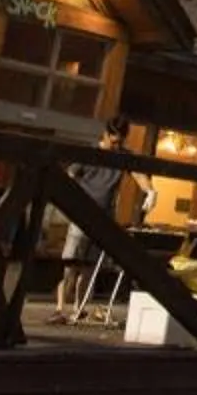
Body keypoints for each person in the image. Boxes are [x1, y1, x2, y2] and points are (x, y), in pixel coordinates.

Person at [51, 116, 135, 325]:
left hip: (103, 218)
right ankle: (60, 308)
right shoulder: (90, 153)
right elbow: (70, 173)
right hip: (81, 214)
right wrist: (71, 199)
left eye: (120, 142)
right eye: (113, 141)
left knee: (89, 268)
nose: (116, 146)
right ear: (105, 135)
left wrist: (150, 191)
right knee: (70, 265)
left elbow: (138, 172)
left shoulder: (123, 156)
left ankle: (79, 308)